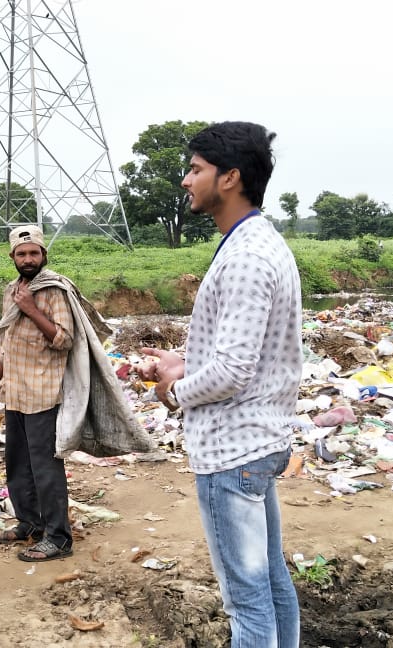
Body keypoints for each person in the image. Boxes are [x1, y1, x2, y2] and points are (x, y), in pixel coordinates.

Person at [139, 121, 302, 647]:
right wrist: (182, 360)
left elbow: (232, 372)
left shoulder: (246, 258)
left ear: (230, 178)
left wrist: (172, 391)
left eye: (195, 169)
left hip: (232, 453)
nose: (187, 180)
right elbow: (236, 353)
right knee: (272, 583)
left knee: (246, 599)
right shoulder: (258, 243)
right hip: (261, 441)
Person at [0, 225, 76, 562]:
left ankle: (59, 538)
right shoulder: (12, 290)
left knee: (45, 468)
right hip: (16, 393)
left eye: (34, 253)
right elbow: (7, 344)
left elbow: (65, 339)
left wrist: (33, 309)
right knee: (18, 464)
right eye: (21, 254)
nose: (28, 259)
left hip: (44, 392)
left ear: (43, 255)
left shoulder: (54, 290)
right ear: (12, 257)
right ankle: (30, 523)